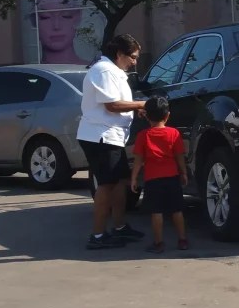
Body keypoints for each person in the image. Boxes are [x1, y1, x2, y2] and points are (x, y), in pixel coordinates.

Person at [79, 34, 148, 250]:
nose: (135, 61)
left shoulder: (115, 71)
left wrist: (135, 109)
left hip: (113, 136)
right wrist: (141, 105)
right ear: (119, 54)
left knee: (119, 182)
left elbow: (118, 105)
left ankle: (119, 227)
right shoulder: (103, 70)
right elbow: (112, 105)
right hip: (101, 137)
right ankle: (98, 235)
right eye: (133, 57)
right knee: (107, 184)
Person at [130, 96, 190, 253]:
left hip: (152, 179)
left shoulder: (143, 136)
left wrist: (134, 177)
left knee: (156, 212)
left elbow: (138, 160)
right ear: (167, 115)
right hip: (172, 177)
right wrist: (183, 172)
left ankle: (159, 243)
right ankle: (182, 240)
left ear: (146, 116)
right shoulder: (174, 133)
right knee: (177, 210)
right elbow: (179, 156)